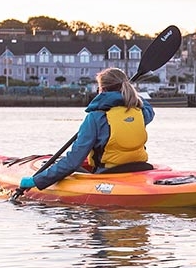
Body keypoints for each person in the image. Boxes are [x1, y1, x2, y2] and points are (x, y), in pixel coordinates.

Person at [20, 67, 155, 191]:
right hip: (139, 169)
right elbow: (146, 106)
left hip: (108, 175)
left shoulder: (96, 118)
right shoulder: (140, 113)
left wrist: (37, 181)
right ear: (125, 87)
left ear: (102, 90)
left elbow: (72, 162)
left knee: (71, 166)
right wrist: (128, 92)